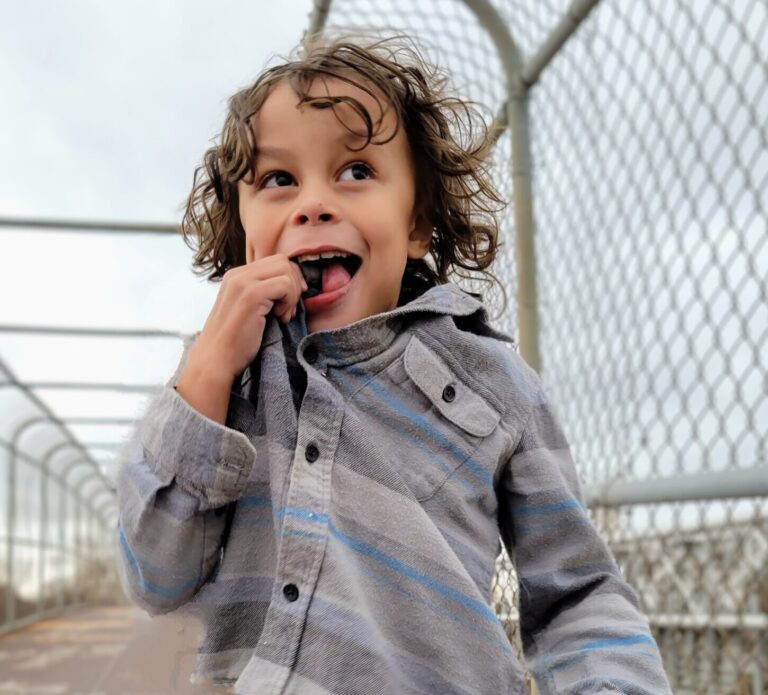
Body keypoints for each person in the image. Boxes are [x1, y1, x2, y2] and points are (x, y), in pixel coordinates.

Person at [115, 31, 672, 695]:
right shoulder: (219, 382)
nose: (313, 204)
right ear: (242, 235)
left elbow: (579, 590)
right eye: (277, 180)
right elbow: (156, 577)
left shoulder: (494, 383)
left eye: (356, 171)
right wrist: (206, 374)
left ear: (417, 224)